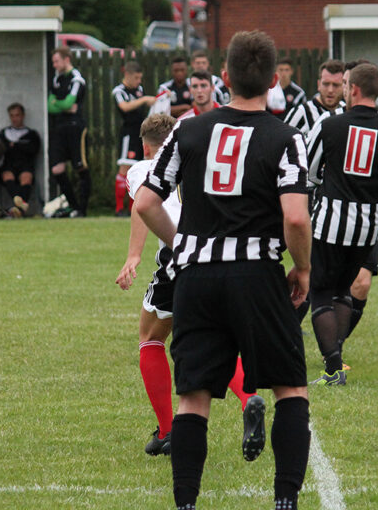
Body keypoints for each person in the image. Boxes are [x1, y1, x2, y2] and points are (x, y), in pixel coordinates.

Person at [134, 30, 312, 510]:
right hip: (257, 275)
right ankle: (285, 500)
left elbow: (146, 202)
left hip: (196, 279)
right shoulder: (286, 138)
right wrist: (302, 268)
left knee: (193, 397)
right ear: (273, 81)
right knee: (290, 388)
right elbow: (296, 218)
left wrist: (183, 245)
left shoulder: (187, 131)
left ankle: (186, 503)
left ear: (224, 77)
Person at [116, 112, 256, 458]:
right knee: (215, 339)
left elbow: (142, 205)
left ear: (145, 146)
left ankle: (167, 431)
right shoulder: (201, 163)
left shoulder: (144, 167)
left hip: (181, 255)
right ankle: (249, 399)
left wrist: (133, 255)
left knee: (150, 337)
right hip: (221, 254)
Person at [305, 62, 378, 385]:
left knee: (321, 292)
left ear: (354, 90)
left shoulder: (329, 125)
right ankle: (335, 360)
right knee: (343, 292)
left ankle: (333, 368)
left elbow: (309, 172)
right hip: (366, 229)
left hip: (329, 223)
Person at [48, 47, 90, 218]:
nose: (54, 65)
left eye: (56, 61)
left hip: (75, 127)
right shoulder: (57, 79)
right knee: (57, 169)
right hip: (59, 128)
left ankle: (82, 209)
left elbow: (68, 103)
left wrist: (59, 104)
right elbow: (50, 106)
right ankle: (73, 206)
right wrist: (62, 105)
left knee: (80, 167)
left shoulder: (76, 79)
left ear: (67, 60)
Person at [113, 61, 156, 217]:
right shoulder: (119, 91)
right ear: (127, 75)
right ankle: (119, 208)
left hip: (141, 133)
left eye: (140, 78)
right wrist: (144, 100)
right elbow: (124, 107)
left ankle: (134, 207)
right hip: (128, 133)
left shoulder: (139, 90)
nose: (139, 81)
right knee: (125, 168)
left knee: (140, 169)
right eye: (136, 78)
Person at [0, 102, 41, 218]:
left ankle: (18, 210)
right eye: (12, 116)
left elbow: (34, 149)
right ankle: (21, 207)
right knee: (7, 175)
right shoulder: (2, 133)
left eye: (17, 115)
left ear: (23, 116)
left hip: (25, 165)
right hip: (9, 165)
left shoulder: (31, 134)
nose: (14, 119)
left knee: (26, 177)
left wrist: (15, 146)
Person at [283, 59, 345, 138]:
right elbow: (282, 141)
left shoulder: (346, 110)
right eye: (326, 84)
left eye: (336, 85)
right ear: (319, 85)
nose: (330, 90)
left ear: (344, 87)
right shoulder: (301, 112)